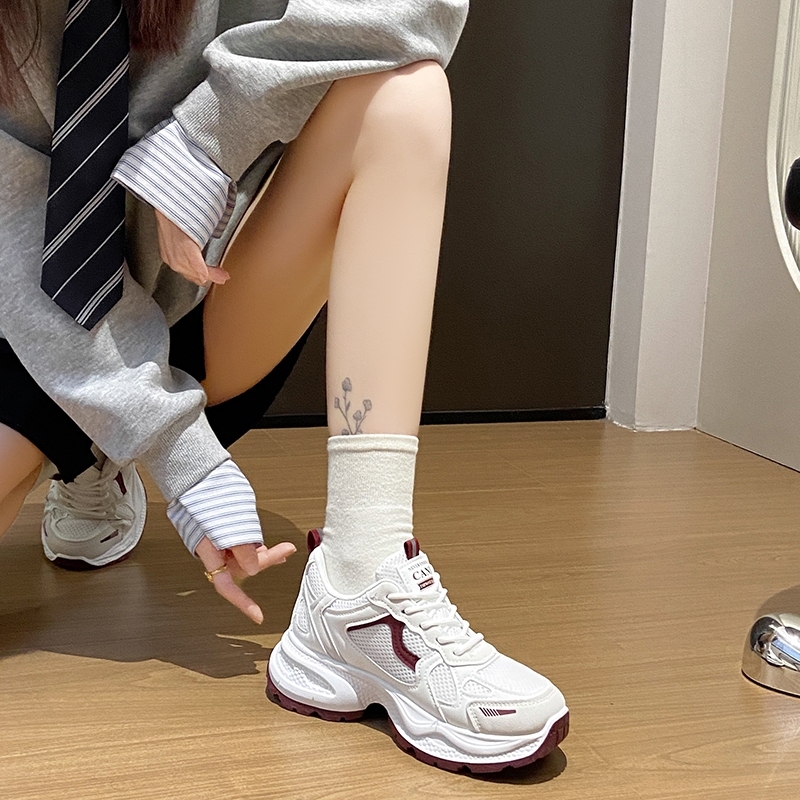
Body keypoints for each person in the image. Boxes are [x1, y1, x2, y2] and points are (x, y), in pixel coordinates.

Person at [0, 0, 569, 772]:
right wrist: (183, 456)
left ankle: (361, 584)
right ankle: (101, 451)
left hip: (207, 287)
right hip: (27, 320)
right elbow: (21, 253)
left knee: (403, 98)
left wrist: (205, 140)